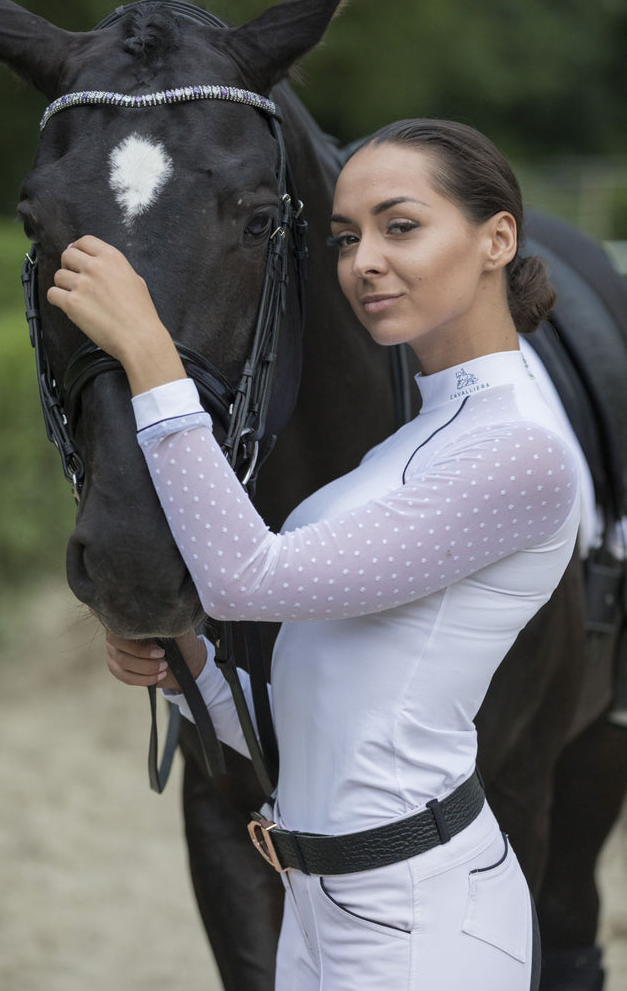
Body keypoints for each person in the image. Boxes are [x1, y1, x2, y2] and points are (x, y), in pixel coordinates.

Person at [47, 118, 580, 990]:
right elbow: (307, 726)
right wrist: (183, 661)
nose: (363, 259)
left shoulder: (517, 448)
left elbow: (245, 578)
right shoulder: (423, 436)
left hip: (422, 924)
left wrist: (149, 351)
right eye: (344, 237)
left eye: (399, 226)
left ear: (498, 239)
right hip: (325, 907)